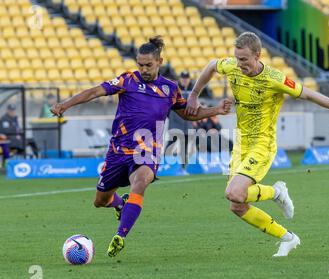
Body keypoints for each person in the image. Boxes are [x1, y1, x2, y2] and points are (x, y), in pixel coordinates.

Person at [186, 32, 329, 257]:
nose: (239, 63)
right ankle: (288, 237)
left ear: (257, 55)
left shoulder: (275, 78)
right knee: (237, 204)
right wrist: (194, 94)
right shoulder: (232, 67)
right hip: (242, 142)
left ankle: (276, 192)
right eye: (236, 58)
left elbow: (310, 95)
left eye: (244, 59)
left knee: (233, 192)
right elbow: (212, 65)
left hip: (263, 144)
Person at [50, 36, 232, 258]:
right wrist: (64, 105)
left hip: (147, 151)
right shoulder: (127, 81)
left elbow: (187, 113)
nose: (144, 69)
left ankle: (120, 235)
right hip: (118, 152)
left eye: (149, 65)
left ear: (159, 61)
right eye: (140, 64)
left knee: (141, 181)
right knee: (101, 201)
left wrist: (216, 110)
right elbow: (94, 92)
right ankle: (120, 204)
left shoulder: (170, 89)